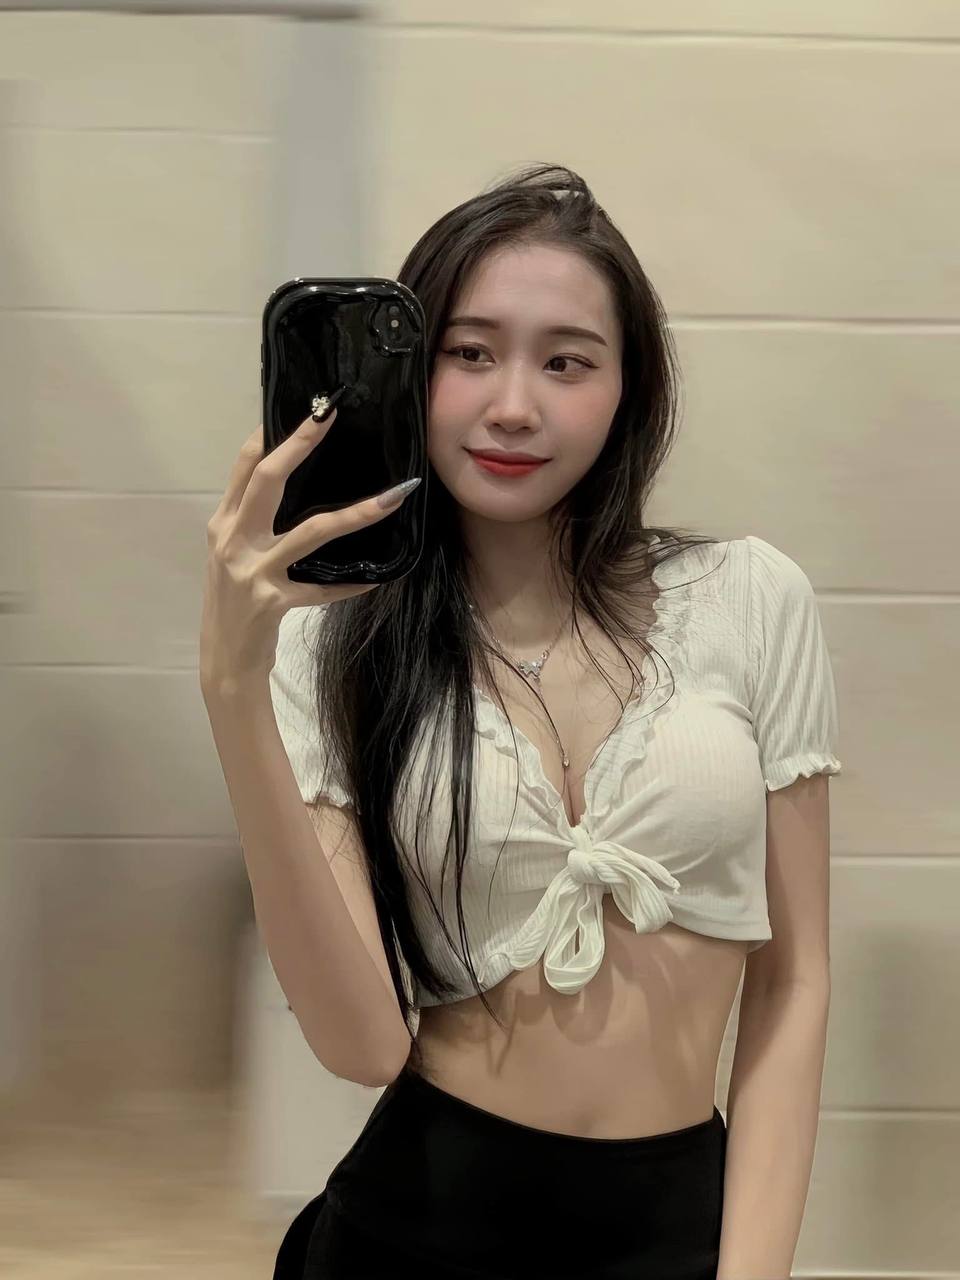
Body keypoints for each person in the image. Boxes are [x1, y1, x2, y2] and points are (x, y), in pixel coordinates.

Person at [202, 163, 842, 1279]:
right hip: (414, 1226)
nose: (513, 405)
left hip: (676, 1222)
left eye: (566, 361)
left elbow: (795, 980)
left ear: (628, 388)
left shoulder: (749, 597)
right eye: (469, 352)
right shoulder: (333, 643)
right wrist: (233, 690)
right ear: (412, 375)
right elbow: (363, 1043)